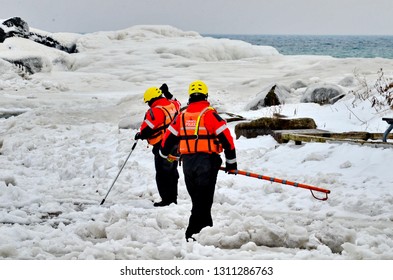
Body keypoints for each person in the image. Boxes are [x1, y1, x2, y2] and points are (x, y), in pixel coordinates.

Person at [160, 80, 237, 241]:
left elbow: (167, 140)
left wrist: (163, 154)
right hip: (207, 162)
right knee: (203, 199)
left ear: (190, 97)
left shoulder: (181, 116)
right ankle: (192, 232)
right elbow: (227, 140)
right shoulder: (210, 115)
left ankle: (206, 229)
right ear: (205, 96)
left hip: (188, 163)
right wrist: (231, 163)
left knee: (198, 198)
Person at [135, 84, 181, 207]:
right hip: (176, 145)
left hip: (163, 146)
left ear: (151, 100)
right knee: (172, 171)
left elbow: (147, 129)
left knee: (162, 173)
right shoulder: (172, 105)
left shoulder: (155, 111)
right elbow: (177, 102)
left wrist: (140, 135)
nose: (148, 104)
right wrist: (167, 92)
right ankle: (173, 198)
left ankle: (167, 200)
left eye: (148, 102)